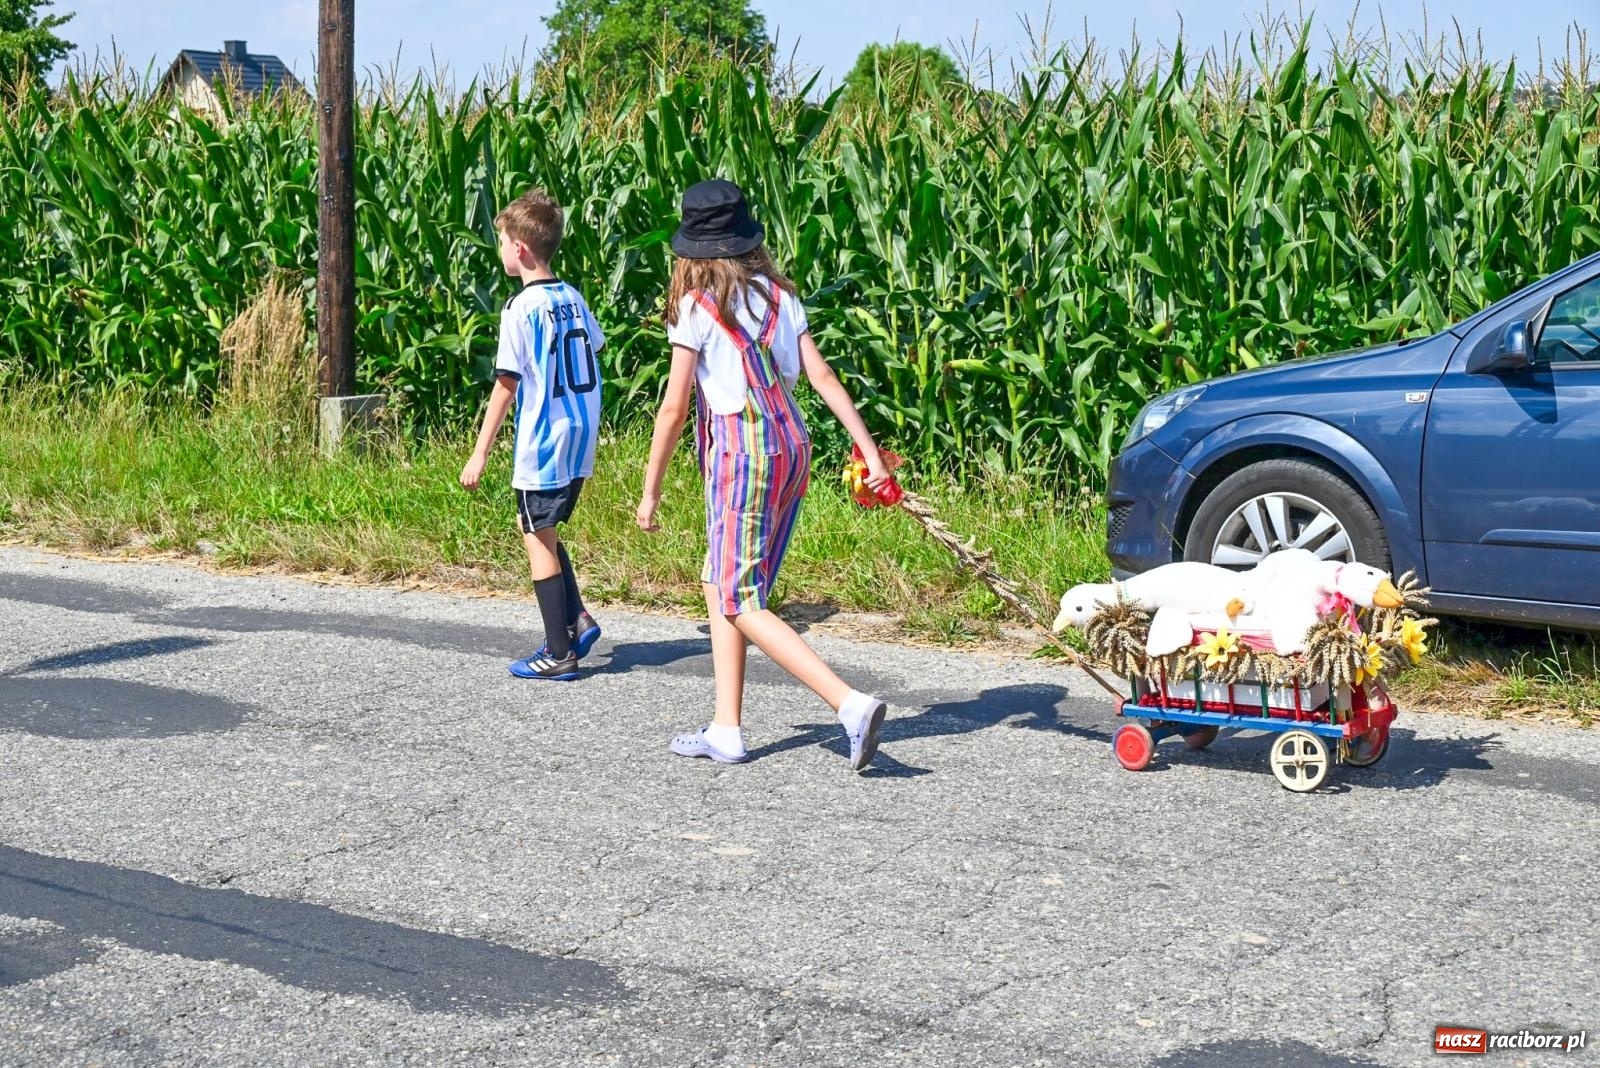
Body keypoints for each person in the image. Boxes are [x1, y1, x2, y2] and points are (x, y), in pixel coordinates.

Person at [635, 179, 893, 771]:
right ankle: (727, 727)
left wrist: (651, 488)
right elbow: (825, 380)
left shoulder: (696, 309)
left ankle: (848, 703)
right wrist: (870, 452)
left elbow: (674, 408)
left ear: (695, 250)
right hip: (791, 448)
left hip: (741, 456)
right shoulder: (780, 297)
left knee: (740, 596)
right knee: (721, 581)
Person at [461, 189, 604, 681]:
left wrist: (479, 452)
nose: (499, 247)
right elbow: (593, 349)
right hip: (579, 434)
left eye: (501, 239)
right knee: (545, 529)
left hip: (543, 440)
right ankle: (577, 618)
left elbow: (507, 383)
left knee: (535, 535)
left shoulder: (521, 308)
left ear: (519, 248)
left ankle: (558, 650)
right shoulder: (573, 297)